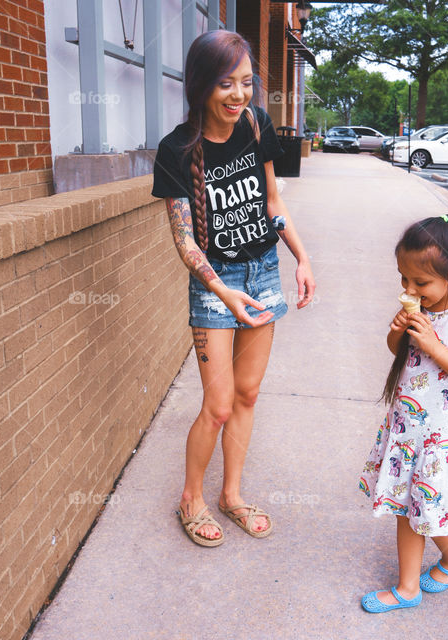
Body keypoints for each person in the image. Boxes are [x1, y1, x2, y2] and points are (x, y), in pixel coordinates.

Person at [151, 30, 315, 547]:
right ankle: (191, 498)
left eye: (246, 83)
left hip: (263, 273)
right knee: (218, 404)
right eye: (226, 84)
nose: (238, 95)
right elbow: (185, 242)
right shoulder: (176, 150)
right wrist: (223, 293)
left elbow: (271, 201)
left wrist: (302, 258)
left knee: (247, 394)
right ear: (200, 85)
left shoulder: (255, 124)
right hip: (214, 286)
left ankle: (232, 495)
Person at [358, 215, 448, 612]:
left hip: (447, 435)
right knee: (406, 505)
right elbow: (395, 350)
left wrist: (436, 347)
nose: (409, 289)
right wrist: (399, 329)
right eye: (404, 279)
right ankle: (407, 588)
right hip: (408, 426)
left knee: (431, 509)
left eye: (420, 283)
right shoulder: (421, 303)